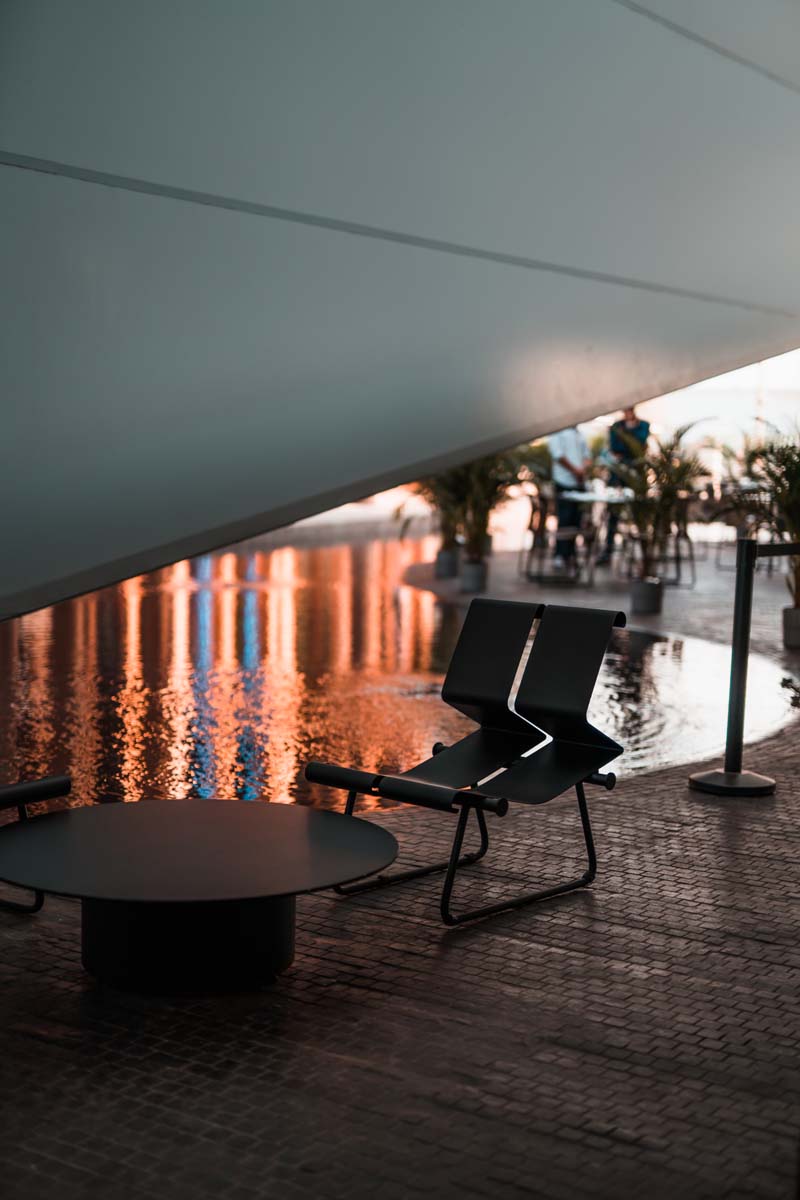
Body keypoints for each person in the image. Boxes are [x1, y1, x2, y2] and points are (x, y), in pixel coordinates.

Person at [597, 405, 650, 565]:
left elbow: (639, 444)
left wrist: (627, 442)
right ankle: (608, 549)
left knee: (638, 513)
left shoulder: (644, 425)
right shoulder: (616, 426)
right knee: (613, 512)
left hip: (636, 475)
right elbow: (616, 447)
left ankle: (642, 552)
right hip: (617, 474)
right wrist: (629, 445)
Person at [548, 425, 591, 569]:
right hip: (563, 481)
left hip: (579, 483)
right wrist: (575, 471)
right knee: (564, 520)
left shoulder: (580, 432)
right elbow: (558, 455)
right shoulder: (557, 431)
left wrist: (581, 471)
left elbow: (587, 456)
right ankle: (560, 555)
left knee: (576, 521)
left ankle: (571, 555)